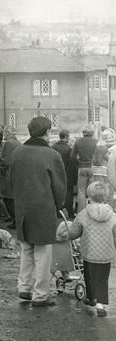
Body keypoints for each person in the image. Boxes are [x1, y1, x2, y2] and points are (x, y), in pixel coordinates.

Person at [11, 116, 67, 306]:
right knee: (43, 252)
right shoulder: (52, 155)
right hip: (44, 208)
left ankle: (24, 288)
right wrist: (60, 205)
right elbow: (59, 186)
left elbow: (12, 180)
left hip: (22, 207)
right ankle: (41, 294)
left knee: (26, 248)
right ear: (47, 132)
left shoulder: (18, 152)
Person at [58, 181, 116, 317]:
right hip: (106, 254)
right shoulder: (112, 215)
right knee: (102, 278)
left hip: (89, 252)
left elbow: (74, 233)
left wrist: (65, 235)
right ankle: (101, 304)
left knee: (90, 277)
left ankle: (91, 299)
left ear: (89, 196)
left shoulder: (84, 213)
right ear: (105, 197)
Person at [72, 125, 98, 214]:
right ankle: (93, 211)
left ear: (83, 132)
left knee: (81, 191)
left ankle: (81, 213)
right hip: (92, 168)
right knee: (92, 190)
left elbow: (72, 156)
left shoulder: (78, 142)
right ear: (92, 133)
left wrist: (78, 162)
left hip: (82, 167)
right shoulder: (96, 142)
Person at [52, 129, 78, 218]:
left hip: (55, 173)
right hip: (67, 174)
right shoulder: (68, 149)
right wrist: (75, 177)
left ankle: (57, 211)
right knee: (68, 194)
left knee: (56, 193)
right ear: (66, 137)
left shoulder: (53, 147)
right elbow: (73, 163)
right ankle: (70, 213)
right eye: (69, 137)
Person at [1, 126, 21, 229]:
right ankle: (15, 219)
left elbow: (5, 160)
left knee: (8, 198)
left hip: (8, 173)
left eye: (4, 133)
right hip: (17, 173)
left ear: (7, 133)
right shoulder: (18, 142)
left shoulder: (8, 143)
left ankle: (15, 220)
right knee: (13, 199)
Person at [90, 128, 116, 203]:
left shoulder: (98, 145)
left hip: (96, 170)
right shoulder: (110, 148)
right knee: (108, 192)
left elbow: (94, 159)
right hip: (105, 171)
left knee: (98, 192)